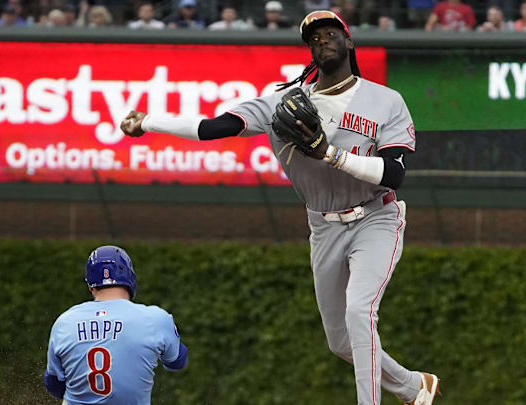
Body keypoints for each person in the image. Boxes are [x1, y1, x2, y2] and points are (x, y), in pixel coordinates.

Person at [120, 10, 440, 405]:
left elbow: (393, 173)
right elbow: (211, 127)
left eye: (330, 32)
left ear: (349, 41)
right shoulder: (283, 102)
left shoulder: (386, 101)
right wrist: (149, 121)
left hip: (375, 217)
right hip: (322, 225)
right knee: (341, 342)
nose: (322, 40)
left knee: (359, 314)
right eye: (314, 37)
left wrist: (330, 154)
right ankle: (412, 386)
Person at [44, 245, 188, 404]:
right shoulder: (156, 318)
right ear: (130, 278)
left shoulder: (65, 321)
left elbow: (54, 384)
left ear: (91, 286)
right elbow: (177, 362)